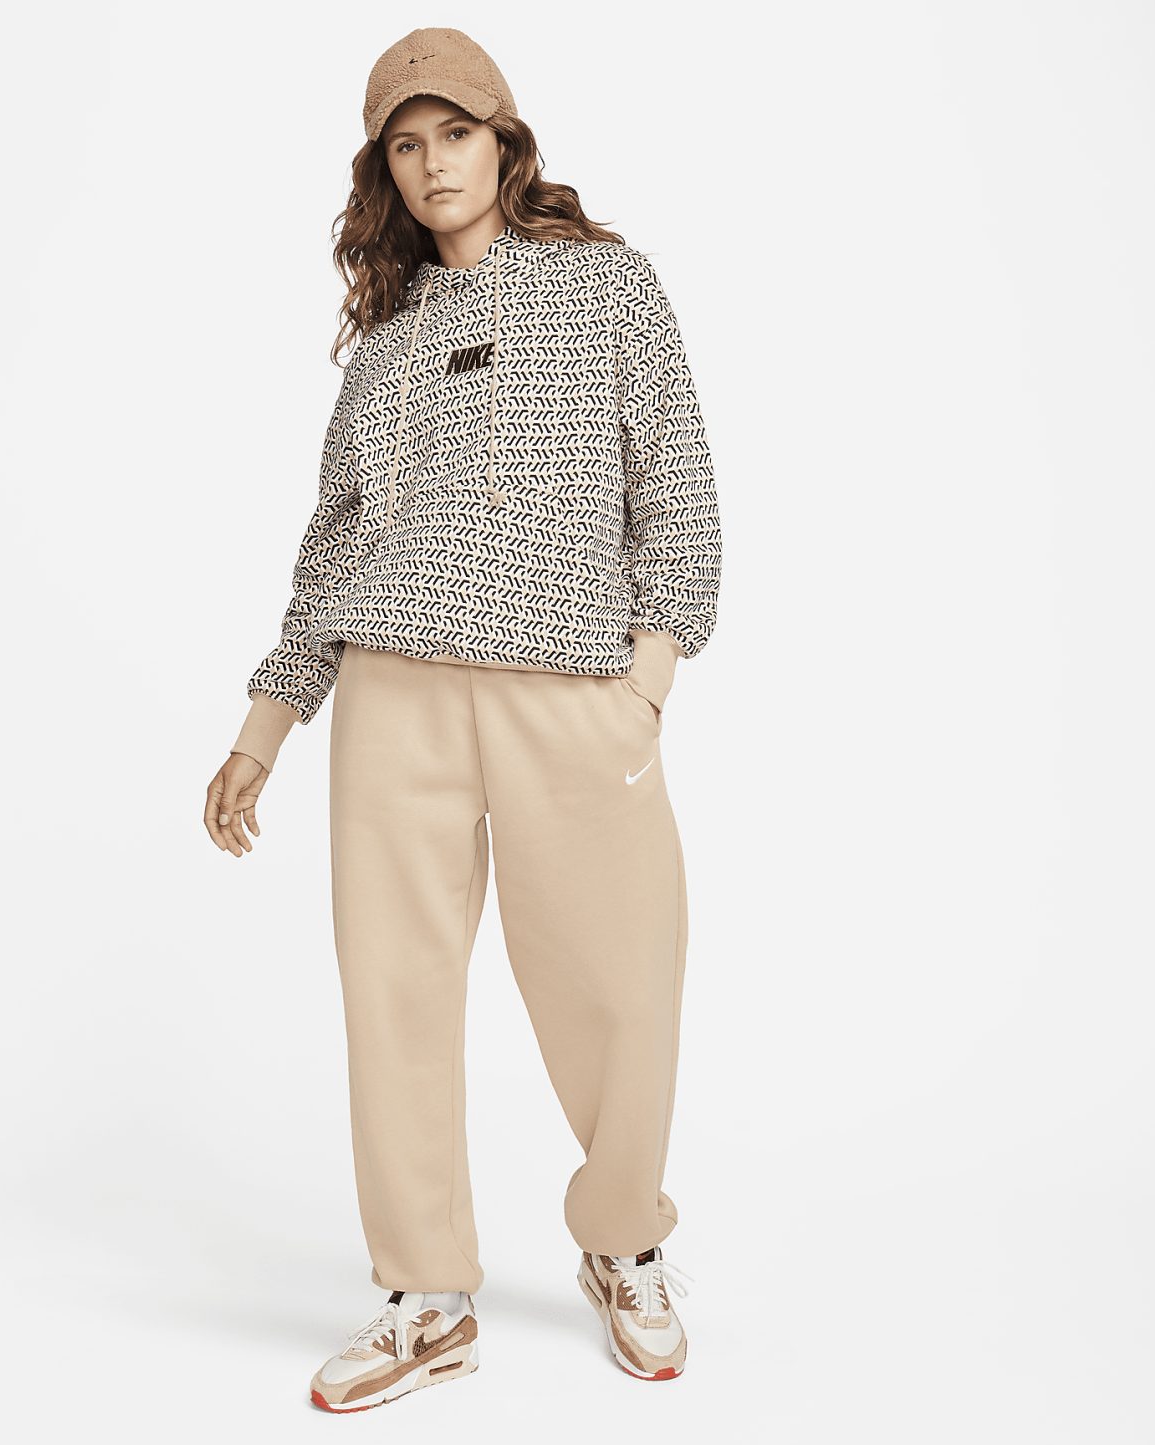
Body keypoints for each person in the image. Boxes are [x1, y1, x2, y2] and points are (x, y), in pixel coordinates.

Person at [203, 27, 721, 1413]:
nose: (433, 164)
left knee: (622, 984)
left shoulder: (610, 286)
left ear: (506, 142)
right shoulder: (384, 341)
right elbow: (334, 543)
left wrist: (649, 679)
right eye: (405, 144)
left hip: (574, 694)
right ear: (384, 169)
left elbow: (676, 487)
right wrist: (266, 726)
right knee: (394, 993)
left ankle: (624, 1242)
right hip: (395, 696)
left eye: (456, 133)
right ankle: (425, 1295)